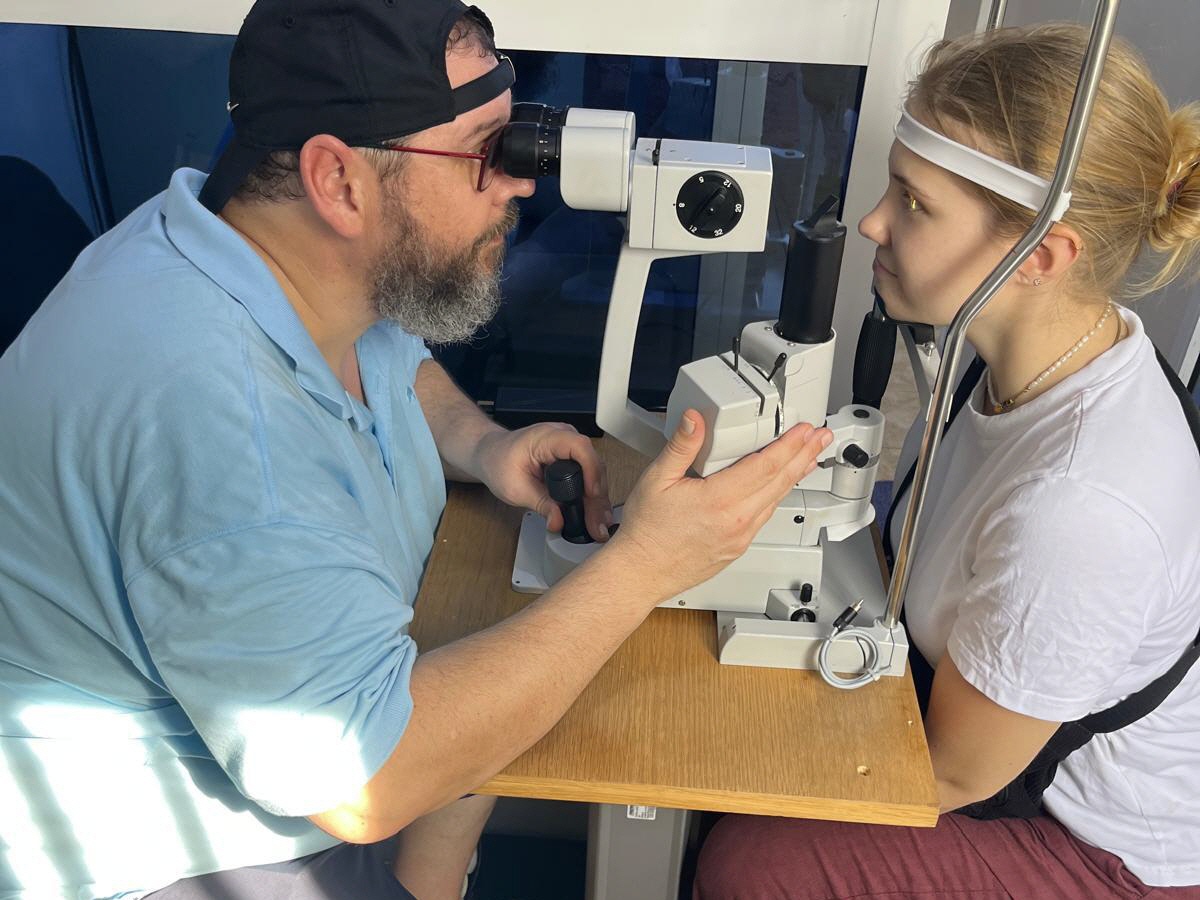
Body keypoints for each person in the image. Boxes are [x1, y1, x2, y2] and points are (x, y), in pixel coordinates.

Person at [0, 1, 834, 898]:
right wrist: (647, 567)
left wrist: (485, 443)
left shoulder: (229, 238)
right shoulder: (219, 431)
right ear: (339, 180)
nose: (520, 185)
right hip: (183, 855)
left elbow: (392, 357)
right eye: (487, 151)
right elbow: (366, 783)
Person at [693, 23, 1200, 900]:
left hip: (1098, 848)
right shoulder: (1022, 355)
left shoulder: (1079, 506)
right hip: (976, 732)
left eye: (914, 202)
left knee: (753, 862)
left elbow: (955, 776)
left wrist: (739, 750)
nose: (872, 222)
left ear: (1040, 257)